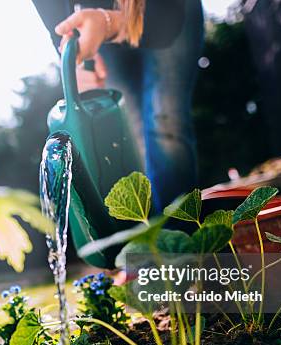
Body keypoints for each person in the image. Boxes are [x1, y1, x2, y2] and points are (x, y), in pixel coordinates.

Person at [32, 0, 204, 213]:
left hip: (164, 13)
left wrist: (110, 22)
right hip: (100, 29)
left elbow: (165, 24)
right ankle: (152, 236)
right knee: (131, 134)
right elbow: (53, 15)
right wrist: (73, 58)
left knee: (166, 122)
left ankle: (182, 234)